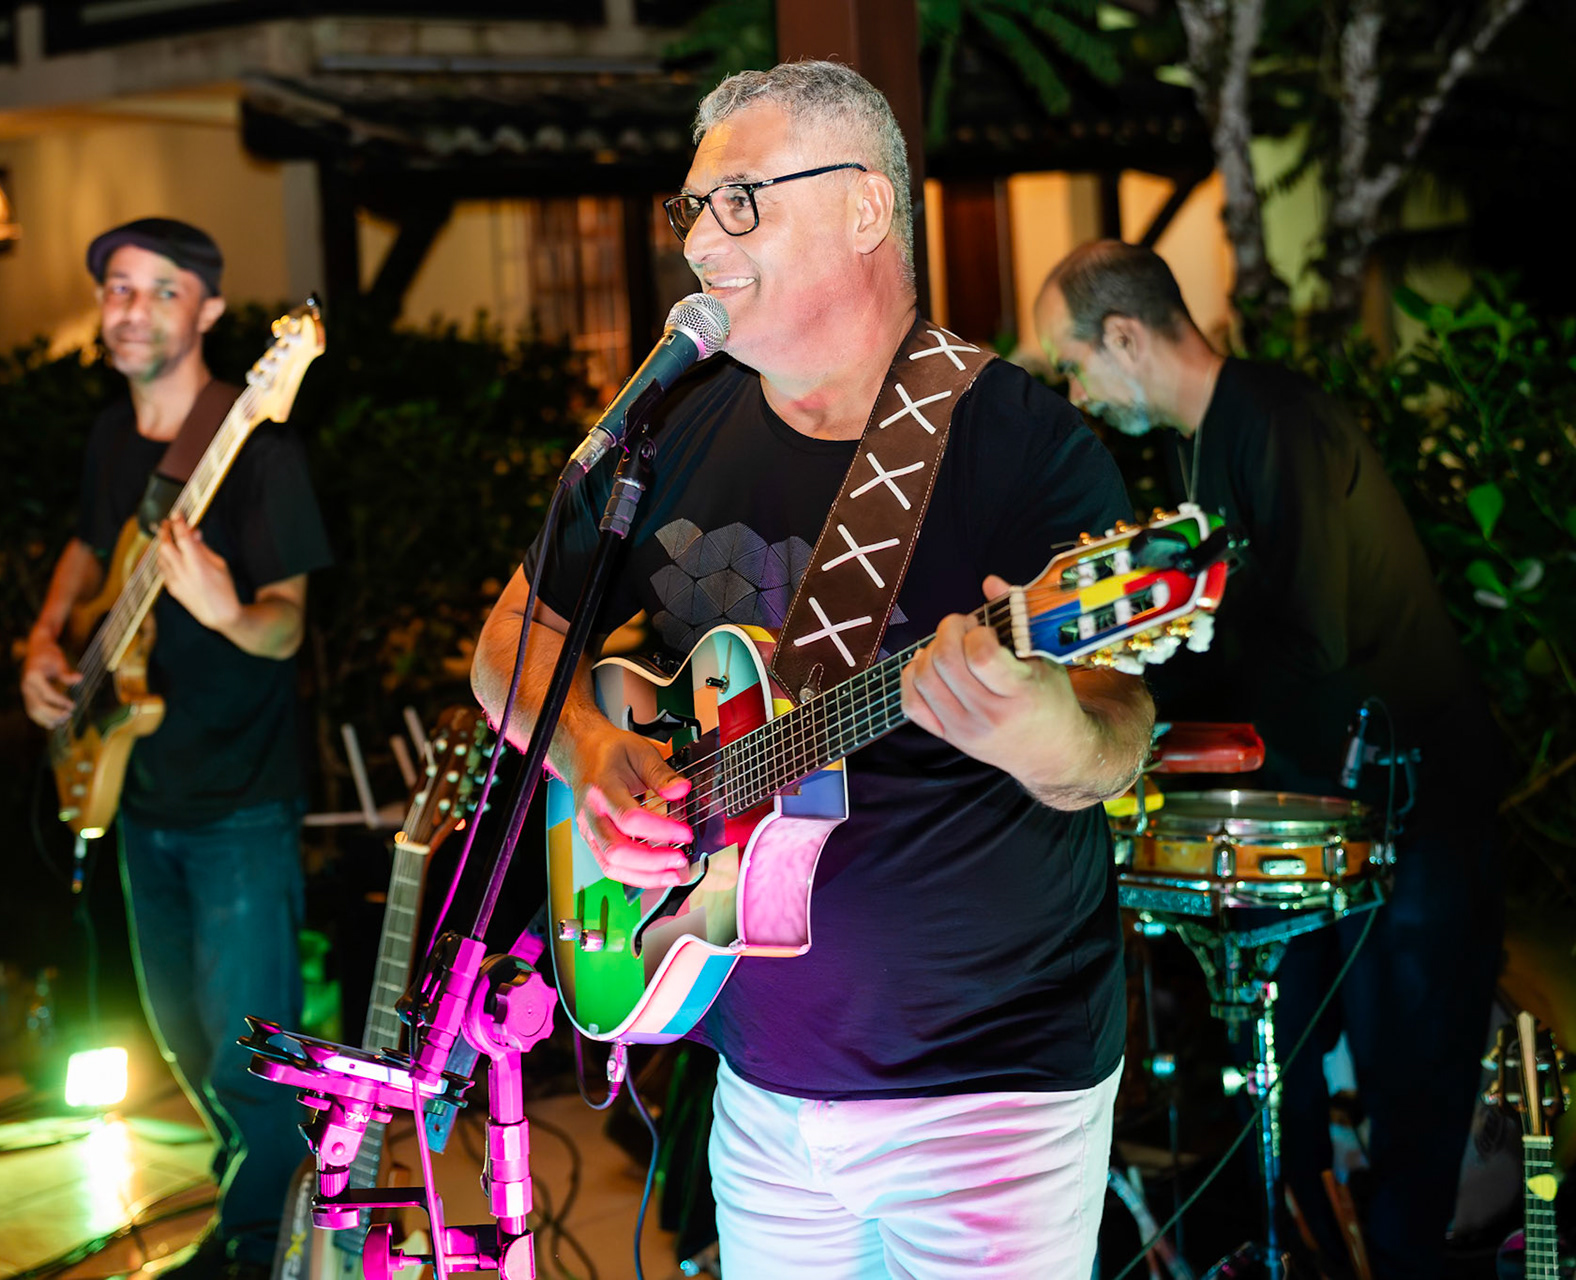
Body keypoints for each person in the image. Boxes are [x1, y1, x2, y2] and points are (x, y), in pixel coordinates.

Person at [472, 62, 1151, 1277]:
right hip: (759, 1081)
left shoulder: (1024, 447)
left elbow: (1114, 741)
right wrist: (592, 750)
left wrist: (1026, 720)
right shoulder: (663, 431)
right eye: (691, 209)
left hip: (992, 1093)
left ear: (865, 211)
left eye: (741, 201)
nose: (698, 243)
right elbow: (506, 645)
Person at [1035, 240, 1504, 1278]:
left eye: (1070, 364)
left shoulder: (1278, 422)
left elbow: (1307, 649)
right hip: (1328, 804)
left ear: (1123, 335)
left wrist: (1146, 713)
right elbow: (1221, 637)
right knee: (1280, 1078)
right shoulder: (1190, 450)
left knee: (1408, 1100)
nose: (1074, 392)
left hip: (1411, 804)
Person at [19, 217, 332, 1280]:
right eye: (117, 288)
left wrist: (227, 608)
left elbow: (287, 623)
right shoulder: (112, 439)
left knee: (254, 1057)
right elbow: (83, 544)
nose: (132, 309)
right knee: (186, 1043)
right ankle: (254, 1218)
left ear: (207, 311)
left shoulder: (261, 450)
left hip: (240, 799)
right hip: (135, 788)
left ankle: (267, 1250)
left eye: (161, 291)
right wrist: (46, 635)